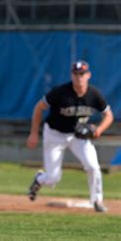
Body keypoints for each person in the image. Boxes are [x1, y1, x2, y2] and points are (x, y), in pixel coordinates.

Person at [26, 60, 113, 212]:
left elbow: (108, 115)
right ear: (71, 75)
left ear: (88, 75)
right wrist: (34, 133)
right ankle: (40, 178)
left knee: (93, 167)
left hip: (77, 135)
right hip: (55, 134)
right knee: (53, 178)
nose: (79, 76)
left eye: (82, 73)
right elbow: (39, 108)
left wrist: (99, 130)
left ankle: (97, 200)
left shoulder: (94, 94)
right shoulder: (60, 92)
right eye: (76, 73)